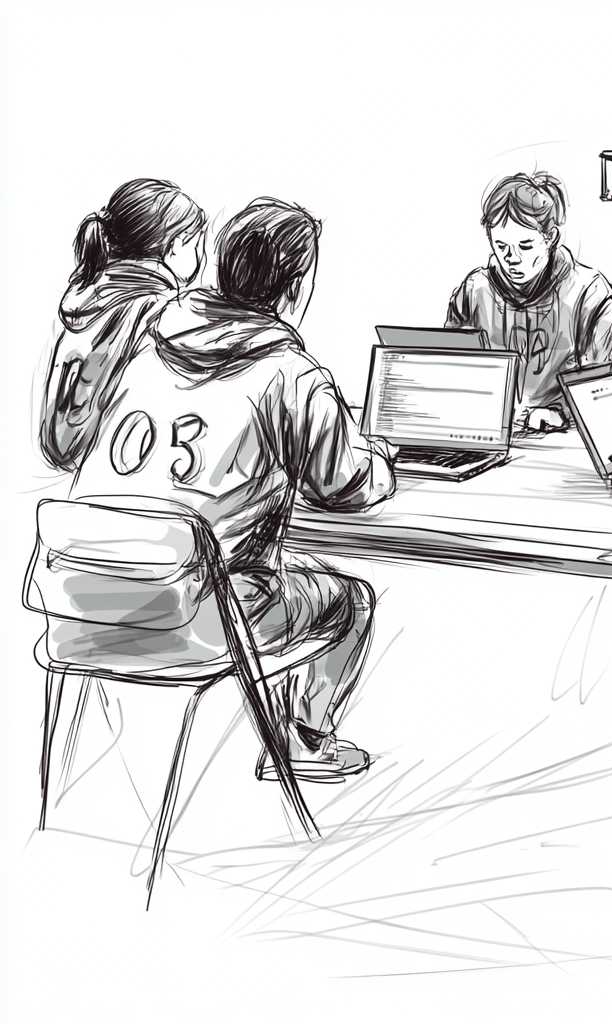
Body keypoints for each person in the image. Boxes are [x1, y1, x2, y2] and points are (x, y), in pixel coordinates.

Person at [67, 198, 396, 782]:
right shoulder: (292, 375)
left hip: (79, 609)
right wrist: (382, 459)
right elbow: (347, 486)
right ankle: (305, 746)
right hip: (188, 622)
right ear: (294, 287)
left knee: (258, 566)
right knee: (351, 601)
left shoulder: (140, 348)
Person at [39, 178, 207, 473]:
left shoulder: (84, 297)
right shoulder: (161, 310)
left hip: (65, 461)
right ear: (174, 246)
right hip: (116, 469)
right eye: (196, 242)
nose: (203, 256)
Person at [446, 172, 612, 432]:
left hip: (567, 437)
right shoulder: (474, 290)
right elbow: (450, 371)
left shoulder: (589, 294)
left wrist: (563, 413)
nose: (511, 258)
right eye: (501, 246)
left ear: (551, 238)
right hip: (486, 434)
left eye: (525, 246)